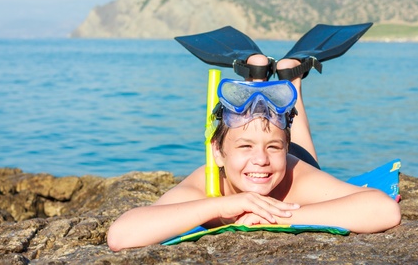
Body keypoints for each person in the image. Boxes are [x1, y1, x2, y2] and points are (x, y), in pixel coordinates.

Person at [107, 56, 401, 250]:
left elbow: (383, 209)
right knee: (264, 132)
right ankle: (261, 79)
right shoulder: (207, 185)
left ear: (283, 151)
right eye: (244, 147)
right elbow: (121, 236)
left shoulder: (294, 174)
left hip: (293, 162)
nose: (260, 158)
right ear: (218, 154)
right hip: (261, 164)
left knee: (303, 149)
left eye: (274, 147)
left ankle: (290, 82)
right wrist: (222, 207)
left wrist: (273, 217)